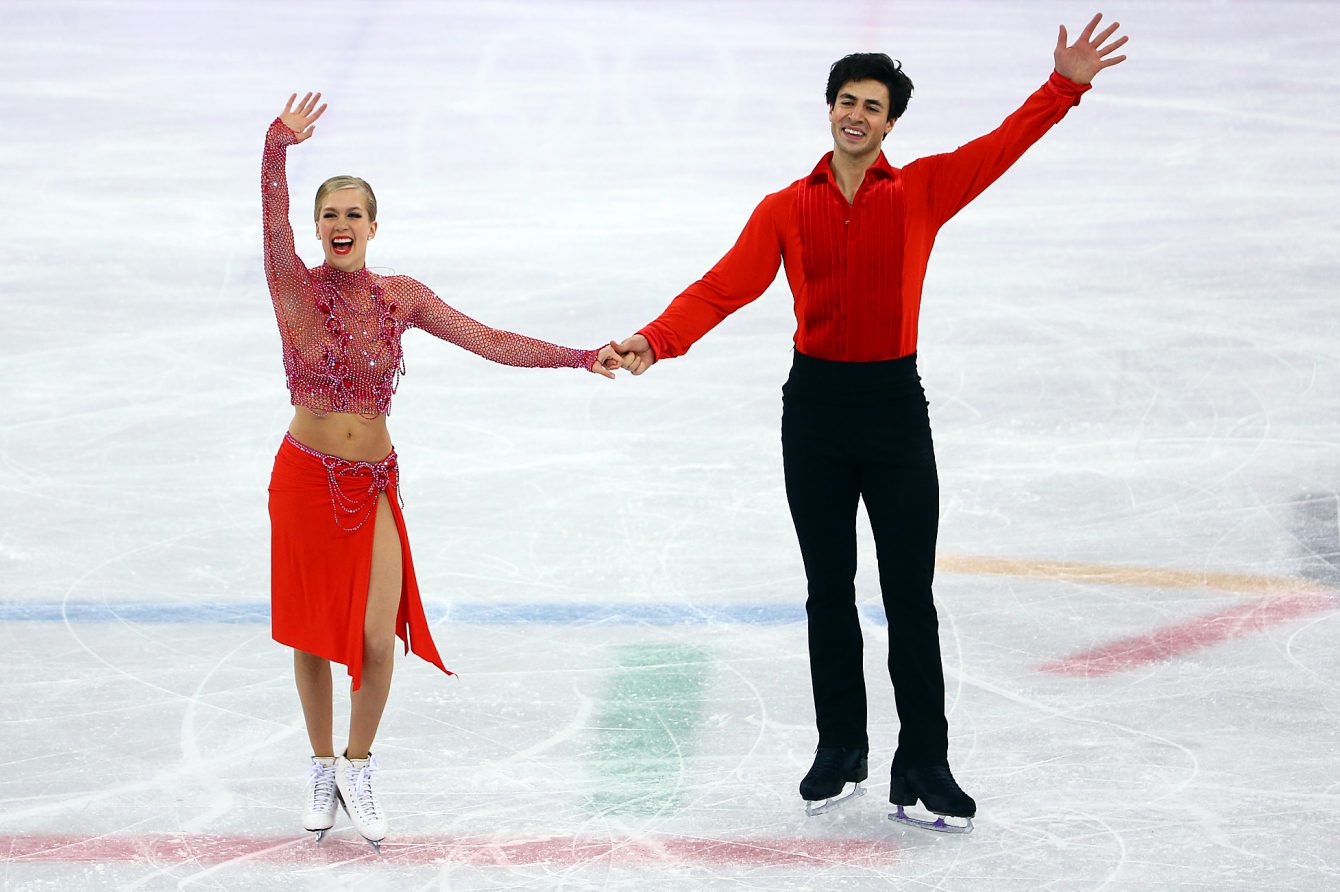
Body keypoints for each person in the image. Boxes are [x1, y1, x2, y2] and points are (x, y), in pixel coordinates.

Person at [612, 15, 1128, 830]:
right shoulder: (785, 208)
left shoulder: (921, 189)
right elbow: (722, 288)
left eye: (873, 106)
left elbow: (1002, 146)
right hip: (814, 413)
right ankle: (840, 748)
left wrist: (1064, 85)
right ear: (829, 110)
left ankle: (924, 762)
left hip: (893, 412)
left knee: (909, 597)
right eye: (845, 101)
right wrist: (655, 340)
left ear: (891, 123)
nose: (856, 115)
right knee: (828, 593)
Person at [261, 92, 621, 850]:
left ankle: (359, 763)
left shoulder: (402, 299)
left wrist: (577, 356)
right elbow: (269, 217)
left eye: (355, 214)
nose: (342, 226)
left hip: (372, 481)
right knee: (310, 633)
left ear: (374, 226)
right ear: (316, 226)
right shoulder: (292, 287)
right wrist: (276, 146)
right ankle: (321, 764)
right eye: (331, 215)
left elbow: (488, 339)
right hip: (302, 479)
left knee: (373, 636)